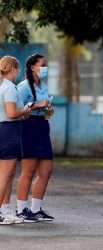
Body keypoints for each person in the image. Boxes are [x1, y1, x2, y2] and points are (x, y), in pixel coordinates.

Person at [16, 54, 54, 222]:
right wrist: (37, 105)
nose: (45, 68)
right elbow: (17, 110)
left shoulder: (43, 85)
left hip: (42, 126)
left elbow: (45, 107)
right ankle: (21, 210)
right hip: (28, 127)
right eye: (43, 64)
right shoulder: (23, 86)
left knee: (46, 170)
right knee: (28, 170)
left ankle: (36, 209)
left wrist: (47, 110)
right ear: (32, 67)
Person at [0, 56, 32, 225]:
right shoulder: (10, 88)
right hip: (8, 130)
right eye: (17, 69)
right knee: (5, 175)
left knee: (7, 174)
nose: (18, 72)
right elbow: (12, 113)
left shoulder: (2, 86)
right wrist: (26, 109)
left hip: (4, 129)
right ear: (13, 69)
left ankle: (4, 210)